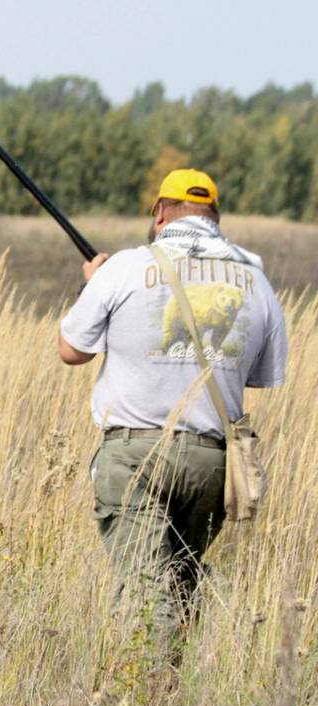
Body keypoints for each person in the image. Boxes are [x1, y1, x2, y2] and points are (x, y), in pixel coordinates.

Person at [57, 168, 288, 639]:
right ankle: (173, 695)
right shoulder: (255, 281)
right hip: (211, 461)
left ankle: (145, 698)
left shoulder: (122, 268)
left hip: (134, 456)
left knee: (145, 594)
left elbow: (71, 350)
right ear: (214, 215)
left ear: (160, 213)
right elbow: (264, 376)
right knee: (180, 587)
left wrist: (93, 284)